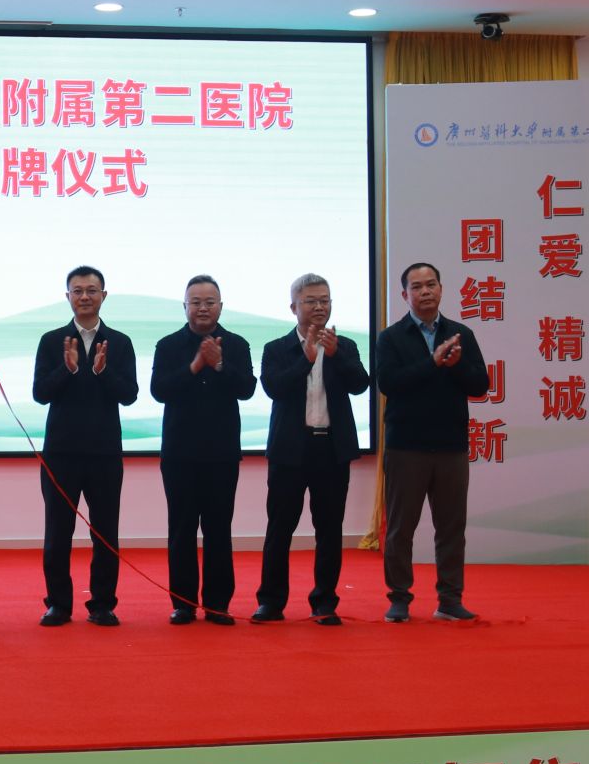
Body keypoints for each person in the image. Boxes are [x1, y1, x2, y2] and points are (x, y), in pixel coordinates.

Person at [372, 261, 490, 622]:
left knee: (451, 528)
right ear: (404, 294)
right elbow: (389, 384)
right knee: (400, 529)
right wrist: (433, 363)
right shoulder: (391, 338)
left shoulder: (461, 334)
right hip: (406, 447)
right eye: (417, 287)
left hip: (451, 446)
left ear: (441, 289)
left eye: (431, 285)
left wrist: (455, 365)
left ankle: (450, 599)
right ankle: (399, 599)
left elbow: (480, 386)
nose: (425, 292)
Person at [255, 273, 370, 625]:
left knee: (329, 529)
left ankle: (324, 602)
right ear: (293, 307)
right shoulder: (276, 348)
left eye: (325, 300)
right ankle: (271, 602)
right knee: (280, 528)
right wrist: (305, 359)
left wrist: (335, 356)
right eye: (311, 301)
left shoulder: (344, 346)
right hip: (290, 450)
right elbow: (274, 388)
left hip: (331, 449)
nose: (319, 307)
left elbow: (361, 384)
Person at [30, 266, 139, 626]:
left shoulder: (119, 342)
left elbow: (129, 394)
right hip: (60, 453)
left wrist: (102, 372)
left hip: (104, 453)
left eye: (92, 290)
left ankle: (103, 604)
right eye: (77, 291)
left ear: (103, 296)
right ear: (68, 297)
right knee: (58, 533)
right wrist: (68, 369)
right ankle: (58, 604)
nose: (85, 297)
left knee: (105, 532)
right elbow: (40, 393)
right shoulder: (52, 341)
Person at [151, 274, 256, 626]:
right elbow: (159, 390)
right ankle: (183, 603)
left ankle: (217, 604)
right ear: (184, 307)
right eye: (195, 302)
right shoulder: (168, 345)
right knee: (181, 529)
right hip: (179, 454)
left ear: (220, 307)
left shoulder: (237, 344)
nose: (202, 308)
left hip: (221, 454)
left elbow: (247, 389)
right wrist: (196, 366)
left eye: (209, 302)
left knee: (218, 529)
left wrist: (220, 365)